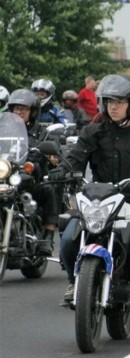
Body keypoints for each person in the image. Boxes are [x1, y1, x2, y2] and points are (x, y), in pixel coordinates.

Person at [50, 74, 130, 313]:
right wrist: (63, 169)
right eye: (109, 101)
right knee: (67, 239)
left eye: (119, 102)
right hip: (97, 199)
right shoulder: (93, 132)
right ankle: (74, 282)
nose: (113, 107)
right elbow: (76, 157)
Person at [6, 89, 61, 256]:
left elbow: (49, 152)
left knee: (50, 189)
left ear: (33, 111)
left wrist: (44, 156)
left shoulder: (41, 133)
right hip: (5, 178)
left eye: (24, 109)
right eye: (16, 108)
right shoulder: (4, 130)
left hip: (30, 180)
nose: (19, 112)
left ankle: (48, 236)